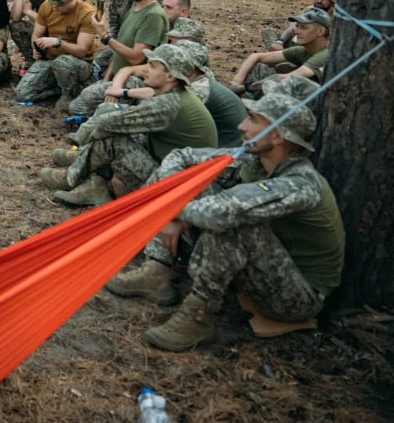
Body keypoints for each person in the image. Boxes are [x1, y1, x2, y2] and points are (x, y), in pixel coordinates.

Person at [106, 90, 344, 351]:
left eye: (252, 119)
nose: (242, 125)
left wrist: (170, 212)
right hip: (264, 268)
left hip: (297, 297)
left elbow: (222, 213)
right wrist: (172, 209)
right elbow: (181, 156)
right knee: (189, 180)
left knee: (234, 223)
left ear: (277, 134)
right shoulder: (255, 159)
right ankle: (158, 269)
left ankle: (199, 315)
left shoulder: (300, 183)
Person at [41, 45, 217, 207]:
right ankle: (91, 180)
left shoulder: (169, 104)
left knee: (113, 138)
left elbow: (111, 123)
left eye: (153, 66)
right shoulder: (172, 95)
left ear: (170, 76)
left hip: (175, 186)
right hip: (169, 168)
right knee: (109, 120)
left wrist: (81, 138)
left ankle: (73, 175)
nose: (145, 69)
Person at [71, 0, 170, 117]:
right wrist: (107, 78)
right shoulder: (135, 8)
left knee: (80, 107)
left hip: (136, 81)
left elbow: (137, 57)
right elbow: (120, 50)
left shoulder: (153, 15)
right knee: (79, 103)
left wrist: (105, 36)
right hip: (120, 76)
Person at [14, 0, 98, 111]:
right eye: (52, 3)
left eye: (59, 5)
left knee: (62, 62)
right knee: (22, 94)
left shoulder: (86, 13)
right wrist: (36, 48)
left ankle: (69, 94)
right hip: (50, 61)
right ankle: (58, 90)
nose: (54, 8)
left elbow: (82, 50)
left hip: (78, 64)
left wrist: (58, 43)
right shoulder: (46, 7)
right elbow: (37, 34)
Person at [231, 8, 331, 96]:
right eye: (297, 26)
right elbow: (256, 56)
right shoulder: (304, 50)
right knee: (259, 67)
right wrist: (236, 82)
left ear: (320, 31)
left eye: (303, 27)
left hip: (318, 108)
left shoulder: (326, 54)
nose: (296, 31)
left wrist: (245, 88)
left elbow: (286, 79)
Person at [91, 0, 139, 80]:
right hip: (118, 40)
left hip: (134, 43)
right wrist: (110, 38)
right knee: (96, 67)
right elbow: (114, 24)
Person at [262, 0, 337, 51]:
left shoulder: (337, 17)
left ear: (332, 2)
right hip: (297, 42)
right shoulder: (309, 9)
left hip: (314, 47)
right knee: (269, 31)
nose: (319, 1)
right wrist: (280, 41)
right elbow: (294, 26)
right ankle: (282, 56)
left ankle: (282, 59)